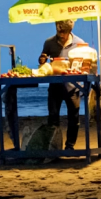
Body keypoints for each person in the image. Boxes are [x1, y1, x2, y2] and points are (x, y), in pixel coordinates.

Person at [42, 20, 83, 150]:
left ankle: (70, 145)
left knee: (73, 118)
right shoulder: (49, 42)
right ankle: (53, 146)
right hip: (54, 86)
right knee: (53, 117)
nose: (61, 35)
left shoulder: (79, 44)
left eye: (63, 32)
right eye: (58, 31)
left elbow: (84, 65)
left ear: (69, 30)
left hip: (73, 86)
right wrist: (42, 58)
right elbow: (44, 59)